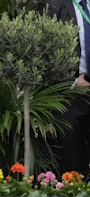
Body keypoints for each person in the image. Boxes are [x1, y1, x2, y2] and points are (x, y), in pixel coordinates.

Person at [42, 0, 90, 174]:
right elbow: (46, 52)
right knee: (72, 154)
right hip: (70, 93)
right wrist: (72, 83)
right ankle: (74, 191)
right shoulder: (54, 6)